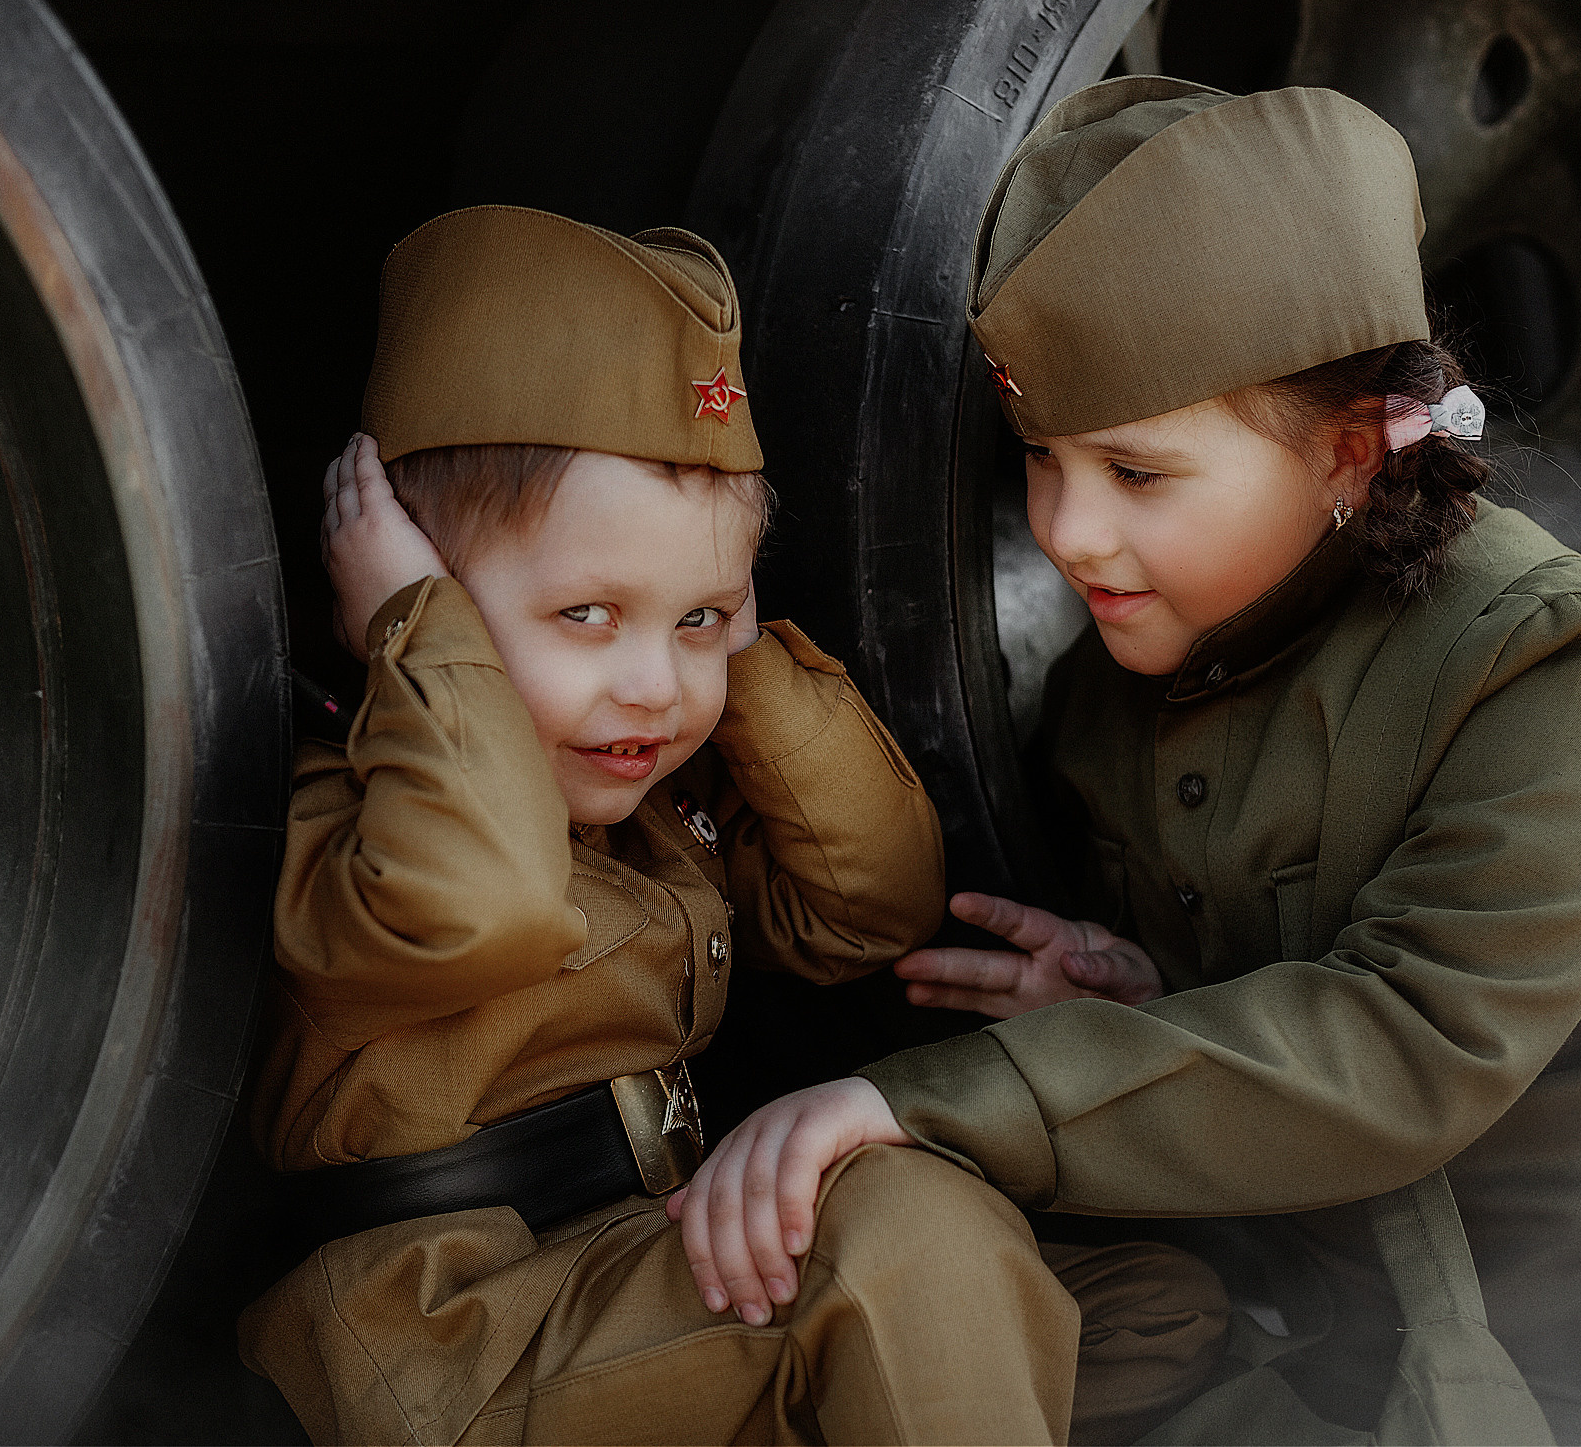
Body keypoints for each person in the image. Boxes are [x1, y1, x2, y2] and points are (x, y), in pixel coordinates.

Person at [668, 78, 1581, 1445]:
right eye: (1042, 459)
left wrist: (920, 1101)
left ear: (1348, 455)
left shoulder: (1566, 665)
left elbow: (1405, 1045)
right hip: (1421, 1325)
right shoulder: (1114, 697)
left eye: (1136, 472)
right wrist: (1144, 998)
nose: (1067, 531)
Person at [236, 205, 1228, 1445]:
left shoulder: (651, 822)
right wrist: (416, 634)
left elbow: (868, 907)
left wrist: (742, 652)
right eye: (589, 615)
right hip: (468, 1345)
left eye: (696, 619)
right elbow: (474, 913)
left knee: (1140, 1309)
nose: (654, 685)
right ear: (390, 608)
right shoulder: (344, 812)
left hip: (645, 1276)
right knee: (912, 1232)